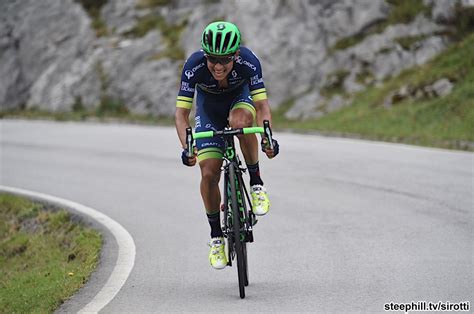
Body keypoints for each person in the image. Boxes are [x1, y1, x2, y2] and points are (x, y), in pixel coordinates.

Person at [175, 21, 279, 270]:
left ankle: (256, 184)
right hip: (208, 110)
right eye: (213, 59)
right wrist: (188, 147)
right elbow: (181, 115)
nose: (218, 66)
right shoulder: (194, 66)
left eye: (224, 60)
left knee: (240, 121)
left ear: (235, 55)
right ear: (205, 55)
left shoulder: (248, 61)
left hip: (238, 100)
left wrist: (267, 137)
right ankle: (216, 237)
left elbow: (262, 107)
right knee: (209, 171)